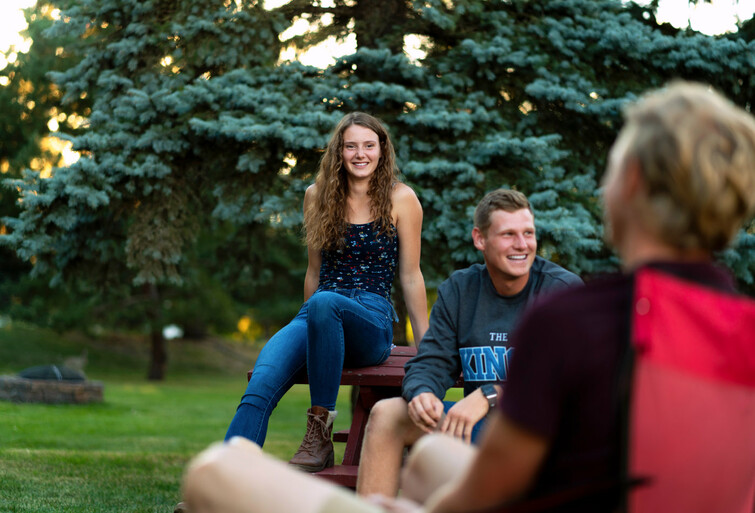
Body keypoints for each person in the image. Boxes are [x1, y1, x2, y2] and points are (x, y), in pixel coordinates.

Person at [177, 81, 755, 513]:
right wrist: (432, 387)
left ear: (629, 188)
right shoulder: (740, 329)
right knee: (427, 453)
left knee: (215, 473)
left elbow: (493, 484)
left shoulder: (572, 314)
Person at [224, 112, 429, 473]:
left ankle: (319, 433)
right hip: (318, 314)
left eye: (369, 145)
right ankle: (220, 486)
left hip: (371, 319)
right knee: (259, 386)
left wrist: (427, 346)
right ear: (339, 151)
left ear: (382, 150)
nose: (360, 153)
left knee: (325, 302)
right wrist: (313, 332)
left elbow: (411, 276)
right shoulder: (316, 195)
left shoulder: (402, 198)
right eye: (351, 146)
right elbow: (314, 272)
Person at [356, 188, 582, 497]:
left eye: (528, 233)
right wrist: (422, 393)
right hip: (471, 429)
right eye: (508, 234)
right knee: (387, 415)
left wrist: (490, 395)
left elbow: (568, 382)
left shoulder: (560, 291)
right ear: (480, 239)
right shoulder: (461, 290)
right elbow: (433, 361)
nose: (522, 245)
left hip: (540, 437)